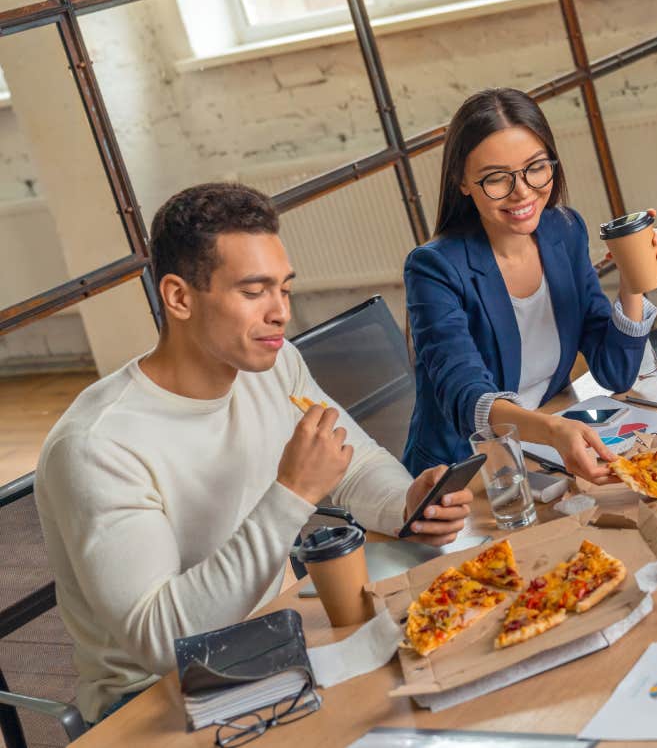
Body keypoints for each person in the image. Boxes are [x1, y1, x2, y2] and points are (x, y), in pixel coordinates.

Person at [34, 183, 474, 724]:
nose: (280, 312)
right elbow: (159, 639)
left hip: (276, 639)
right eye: (253, 291)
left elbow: (354, 461)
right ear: (178, 297)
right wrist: (292, 493)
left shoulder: (276, 365)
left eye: (284, 289)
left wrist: (405, 500)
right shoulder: (97, 445)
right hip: (155, 702)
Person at [403, 87, 657, 481]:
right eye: (496, 178)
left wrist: (631, 285)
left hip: (544, 453)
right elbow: (465, 396)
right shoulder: (434, 268)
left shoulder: (564, 230)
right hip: (462, 475)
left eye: (536, 167)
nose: (522, 190)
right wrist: (553, 431)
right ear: (461, 181)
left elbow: (615, 372)